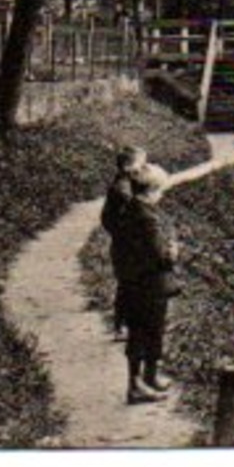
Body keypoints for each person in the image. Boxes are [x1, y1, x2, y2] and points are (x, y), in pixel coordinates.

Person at [113, 163, 179, 405]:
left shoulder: (130, 210)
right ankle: (137, 385)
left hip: (133, 281)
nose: (161, 196)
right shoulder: (147, 219)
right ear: (151, 191)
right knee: (147, 333)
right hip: (149, 285)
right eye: (160, 191)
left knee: (145, 333)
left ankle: (148, 378)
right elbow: (160, 256)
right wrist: (173, 252)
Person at [100, 146, 147, 340]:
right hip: (126, 246)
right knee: (129, 285)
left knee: (129, 284)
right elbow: (112, 218)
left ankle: (126, 325)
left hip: (124, 244)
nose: (143, 167)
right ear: (128, 166)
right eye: (141, 163)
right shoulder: (122, 189)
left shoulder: (124, 184)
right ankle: (123, 326)